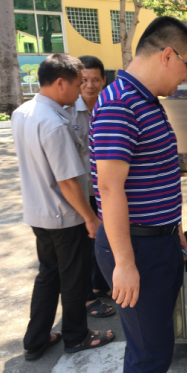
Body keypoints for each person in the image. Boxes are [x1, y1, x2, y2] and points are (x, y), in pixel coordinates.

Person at [91, 17, 187, 373]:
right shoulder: (120, 103)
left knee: (154, 345)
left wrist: (174, 226)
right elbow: (109, 187)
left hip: (159, 242)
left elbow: (155, 173)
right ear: (168, 55)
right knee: (149, 355)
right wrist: (124, 262)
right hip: (135, 248)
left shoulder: (146, 102)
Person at [12, 54, 114, 361]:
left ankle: (36, 339)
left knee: (48, 275)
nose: (82, 89)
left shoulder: (23, 112)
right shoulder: (54, 123)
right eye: (78, 83)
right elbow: (68, 181)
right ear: (60, 83)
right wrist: (90, 218)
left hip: (38, 212)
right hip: (64, 216)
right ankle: (76, 336)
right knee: (73, 278)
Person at [66, 55, 114, 318]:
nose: (90, 85)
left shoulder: (109, 105)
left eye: (96, 79)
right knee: (82, 247)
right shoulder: (68, 110)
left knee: (104, 240)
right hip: (80, 192)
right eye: (84, 80)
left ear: (103, 80)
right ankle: (86, 298)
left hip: (104, 190)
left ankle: (99, 285)